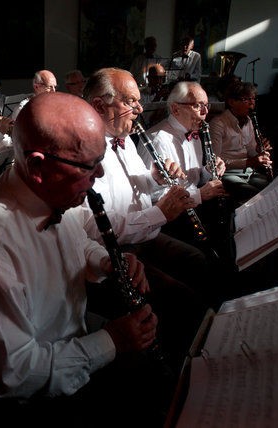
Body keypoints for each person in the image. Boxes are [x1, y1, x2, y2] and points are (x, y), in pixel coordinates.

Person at [0, 92, 169, 425]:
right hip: (37, 392)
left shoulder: (53, 191)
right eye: (88, 166)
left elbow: (77, 241)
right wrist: (113, 341)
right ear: (38, 166)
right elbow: (15, 374)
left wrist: (106, 261)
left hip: (73, 335)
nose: (99, 175)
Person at [83, 68, 212, 350]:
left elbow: (140, 191)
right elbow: (96, 227)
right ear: (99, 106)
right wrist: (160, 213)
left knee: (199, 261)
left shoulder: (126, 139)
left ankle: (203, 337)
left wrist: (155, 179)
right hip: (117, 250)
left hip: (146, 236)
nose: (140, 109)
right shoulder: (83, 150)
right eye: (131, 101)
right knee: (182, 299)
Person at [141, 81, 230, 250]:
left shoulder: (195, 131)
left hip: (193, 203)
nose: (205, 112)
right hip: (171, 217)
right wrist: (200, 195)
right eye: (198, 106)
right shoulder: (158, 140)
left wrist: (208, 170)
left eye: (206, 105)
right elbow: (152, 197)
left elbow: (193, 178)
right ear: (175, 109)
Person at [209, 81, 272, 205]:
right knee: (256, 196)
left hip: (248, 171)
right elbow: (215, 161)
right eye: (246, 99)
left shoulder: (249, 121)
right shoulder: (218, 124)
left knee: (272, 188)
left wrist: (260, 150)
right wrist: (250, 162)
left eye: (253, 99)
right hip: (227, 174)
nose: (251, 103)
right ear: (231, 102)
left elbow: (251, 150)